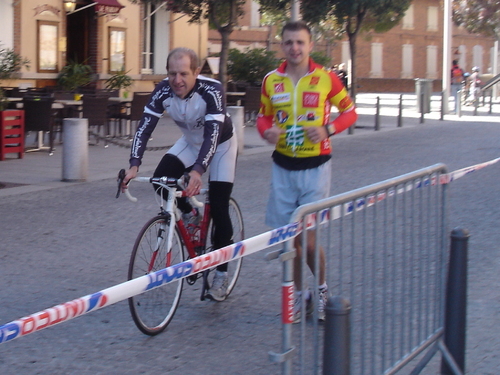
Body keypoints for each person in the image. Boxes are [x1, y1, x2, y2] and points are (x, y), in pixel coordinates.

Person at [256, 21, 358, 322]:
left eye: (300, 42)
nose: (294, 48)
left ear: (310, 45)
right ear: (282, 46)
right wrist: (266, 132)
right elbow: (263, 117)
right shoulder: (271, 81)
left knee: (309, 240)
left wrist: (328, 128)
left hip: (316, 168)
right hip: (283, 167)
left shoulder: (326, 78)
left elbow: (350, 112)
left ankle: (323, 290)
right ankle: (300, 295)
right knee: (290, 242)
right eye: (288, 42)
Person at [121, 47, 238, 301]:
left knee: (218, 206)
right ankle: (189, 213)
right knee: (160, 179)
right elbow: (144, 127)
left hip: (221, 145)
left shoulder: (212, 90)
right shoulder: (163, 90)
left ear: (196, 72)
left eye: (184, 73)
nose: (177, 80)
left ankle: (222, 273)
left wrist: (197, 171)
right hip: (190, 141)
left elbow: (212, 135)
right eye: (172, 73)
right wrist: (133, 165)